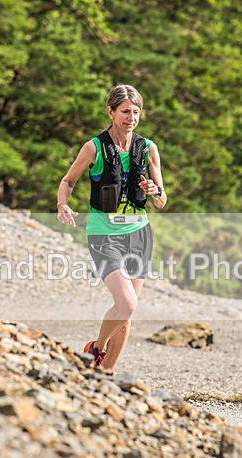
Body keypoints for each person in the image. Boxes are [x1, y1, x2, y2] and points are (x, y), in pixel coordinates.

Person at [56, 84, 167, 370]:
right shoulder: (94, 147)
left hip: (139, 235)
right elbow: (68, 181)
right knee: (127, 305)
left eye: (136, 112)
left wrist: (155, 191)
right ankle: (97, 347)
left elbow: (161, 200)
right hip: (104, 235)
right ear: (111, 111)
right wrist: (62, 204)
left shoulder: (149, 149)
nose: (131, 117)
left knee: (126, 315)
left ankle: (106, 375)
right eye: (125, 112)